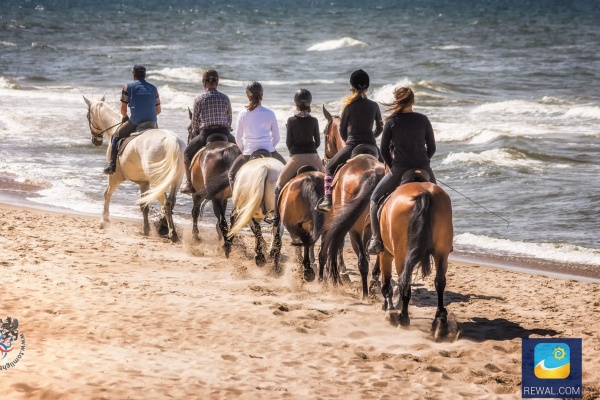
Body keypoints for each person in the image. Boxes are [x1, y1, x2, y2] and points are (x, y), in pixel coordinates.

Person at [366, 87, 437, 254]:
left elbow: (383, 150)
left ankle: (376, 240)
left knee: (375, 198)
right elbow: (432, 148)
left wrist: (392, 165)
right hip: (424, 168)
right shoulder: (423, 119)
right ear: (412, 101)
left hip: (400, 169)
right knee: (440, 199)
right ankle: (444, 240)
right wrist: (423, 161)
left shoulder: (392, 122)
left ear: (397, 100)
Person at [316, 69, 383, 211]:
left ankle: (328, 200)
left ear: (351, 86)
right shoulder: (374, 105)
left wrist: (348, 141)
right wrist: (372, 136)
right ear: (367, 87)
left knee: (329, 168)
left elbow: (342, 129)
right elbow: (380, 127)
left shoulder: (348, 106)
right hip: (372, 146)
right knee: (389, 168)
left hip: (352, 146)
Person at [264, 89, 323, 225]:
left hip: (296, 158)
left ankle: (276, 217)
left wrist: (294, 154)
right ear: (309, 104)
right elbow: (318, 142)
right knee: (329, 183)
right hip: (313, 157)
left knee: (279, 185)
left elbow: (288, 143)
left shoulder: (291, 121)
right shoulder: (314, 120)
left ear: (296, 104)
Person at [181, 69, 236, 194]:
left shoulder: (199, 99)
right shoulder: (225, 98)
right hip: (224, 133)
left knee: (187, 155)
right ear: (217, 83)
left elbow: (194, 124)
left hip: (206, 134)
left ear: (204, 83)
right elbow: (229, 119)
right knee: (242, 152)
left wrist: (195, 132)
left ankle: (189, 184)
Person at [104, 64, 161, 174]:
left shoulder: (128, 87)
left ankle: (112, 165)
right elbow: (158, 110)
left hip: (136, 121)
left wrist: (125, 117)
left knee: (115, 136)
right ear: (145, 75)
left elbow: (123, 108)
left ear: (133, 74)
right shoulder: (154, 88)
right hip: (152, 122)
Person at [228, 82, 286, 185]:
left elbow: (238, 139)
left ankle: (237, 201)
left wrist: (245, 150)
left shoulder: (242, 114)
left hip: (248, 152)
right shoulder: (270, 113)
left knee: (231, 175)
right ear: (262, 95)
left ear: (247, 96)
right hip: (269, 151)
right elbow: (276, 137)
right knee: (288, 174)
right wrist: (268, 147)